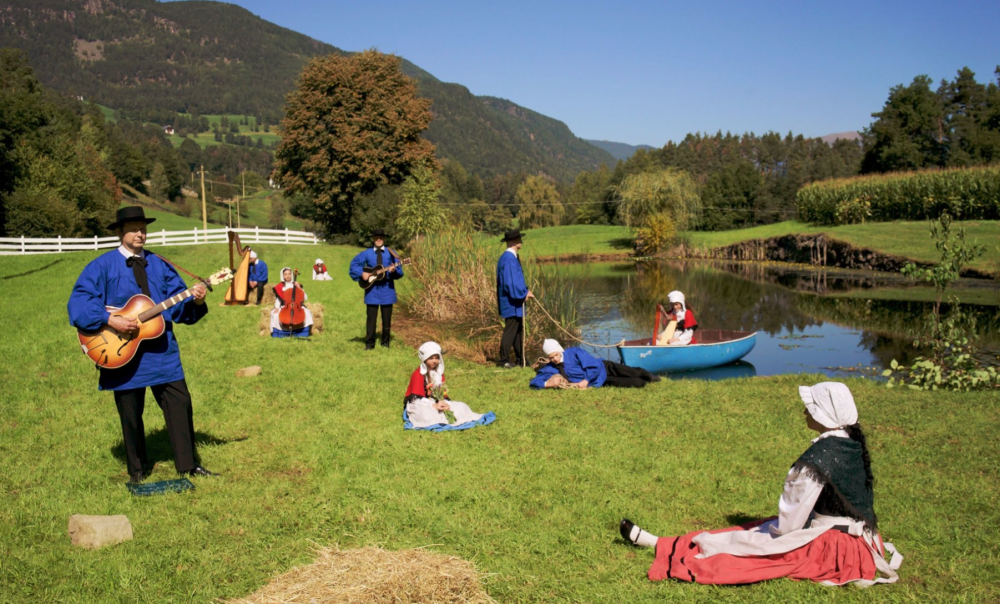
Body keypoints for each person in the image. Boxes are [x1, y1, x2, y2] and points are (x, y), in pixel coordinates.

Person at [619, 382, 901, 587]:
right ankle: (665, 543)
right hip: (861, 543)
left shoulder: (816, 461)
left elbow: (788, 527)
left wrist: (767, 534)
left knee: (749, 547)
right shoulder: (850, 442)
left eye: (809, 407)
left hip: (836, 551)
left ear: (823, 415)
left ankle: (672, 549)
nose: (804, 411)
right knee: (747, 530)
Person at [67, 206, 217, 483]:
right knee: (130, 412)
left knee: (180, 403)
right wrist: (109, 319)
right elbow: (78, 305)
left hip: (162, 351)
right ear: (120, 232)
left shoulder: (160, 264)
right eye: (134, 228)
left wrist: (196, 300)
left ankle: (188, 465)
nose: (140, 233)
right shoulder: (100, 267)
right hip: (120, 352)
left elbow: (178, 306)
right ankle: (137, 470)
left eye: (143, 228)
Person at [403, 342, 494, 430]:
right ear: (425, 359)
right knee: (425, 414)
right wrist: (433, 405)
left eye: (437, 358)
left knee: (462, 407)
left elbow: (441, 393)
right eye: (431, 358)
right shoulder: (418, 374)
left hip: (437, 402)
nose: (434, 361)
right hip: (421, 404)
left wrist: (443, 403)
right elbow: (416, 399)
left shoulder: (439, 374)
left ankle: (447, 419)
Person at [348, 228, 404, 349]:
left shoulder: (391, 253)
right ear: (373, 239)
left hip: (387, 290)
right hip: (372, 290)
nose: (379, 239)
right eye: (376, 237)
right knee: (371, 319)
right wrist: (361, 273)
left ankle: (385, 343)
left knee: (387, 319)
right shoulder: (367, 253)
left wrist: (393, 271)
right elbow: (354, 265)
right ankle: (369, 344)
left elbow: (400, 272)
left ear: (384, 239)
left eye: (381, 237)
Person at [530, 339, 659, 389]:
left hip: (603, 367)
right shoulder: (551, 367)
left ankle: (649, 375)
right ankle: (643, 381)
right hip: (598, 381)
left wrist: (585, 380)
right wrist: (548, 383)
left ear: (559, 351)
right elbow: (534, 382)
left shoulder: (574, 352)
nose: (555, 359)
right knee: (637, 383)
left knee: (632, 372)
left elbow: (594, 366)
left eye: (556, 355)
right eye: (551, 357)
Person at [496, 229, 534, 368]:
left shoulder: (511, 258)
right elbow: (510, 281)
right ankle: (503, 360)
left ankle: (521, 359)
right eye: (519, 239)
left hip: (515, 301)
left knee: (518, 331)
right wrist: (522, 294)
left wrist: (525, 291)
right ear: (513, 242)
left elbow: (515, 280)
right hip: (512, 302)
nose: (521, 241)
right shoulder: (508, 259)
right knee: (511, 330)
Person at [271, 267, 314, 337]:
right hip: (285, 306)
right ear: (283, 276)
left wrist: (299, 288)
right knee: (275, 315)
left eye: (289, 274)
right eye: (285, 274)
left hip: (297, 306)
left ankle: (304, 331)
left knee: (307, 312)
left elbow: (305, 298)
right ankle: (278, 333)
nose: (288, 276)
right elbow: (278, 299)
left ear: (291, 274)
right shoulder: (280, 286)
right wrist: (277, 307)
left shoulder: (296, 284)